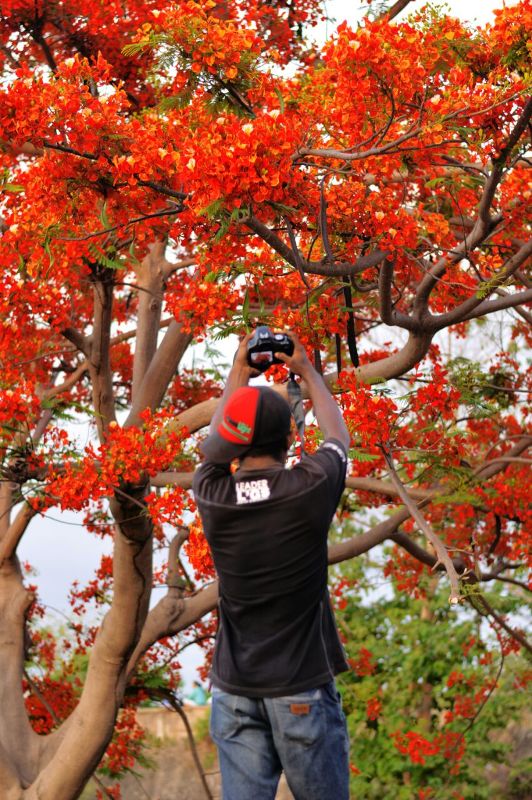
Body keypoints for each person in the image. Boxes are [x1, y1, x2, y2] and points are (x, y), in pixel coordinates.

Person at [192, 331, 351, 800]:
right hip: (299, 687)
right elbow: (338, 438)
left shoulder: (212, 494)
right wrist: (307, 370)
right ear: (289, 437)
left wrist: (241, 370)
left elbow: (212, 452)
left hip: (235, 692)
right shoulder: (308, 488)